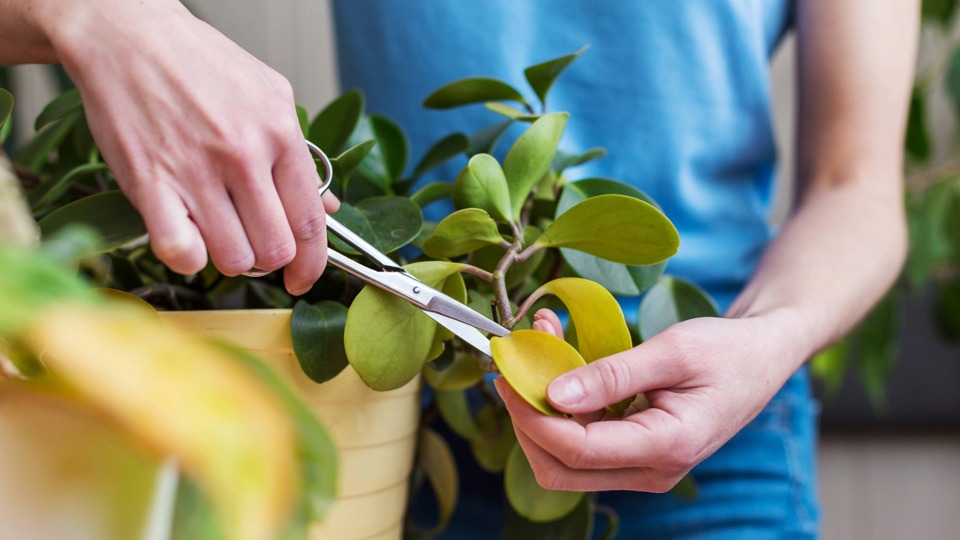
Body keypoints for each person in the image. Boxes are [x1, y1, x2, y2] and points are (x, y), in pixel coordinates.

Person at [1, 0, 918, 537]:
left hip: (716, 434)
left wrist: (768, 338)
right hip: (402, 425)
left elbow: (857, 188)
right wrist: (102, 16)